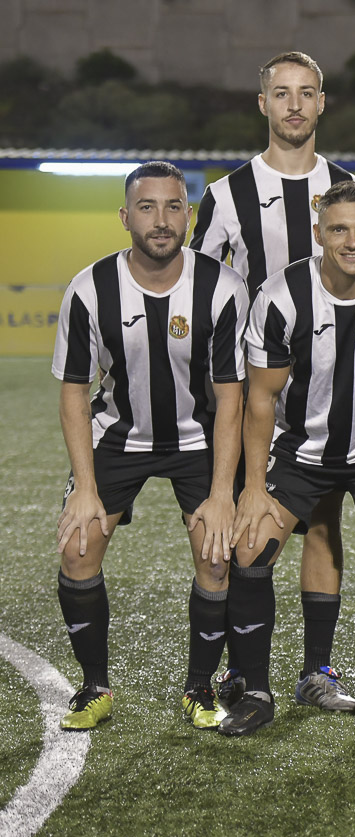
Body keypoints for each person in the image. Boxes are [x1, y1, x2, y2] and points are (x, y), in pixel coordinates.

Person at [219, 181, 355, 737]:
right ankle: (257, 690)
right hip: (295, 448)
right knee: (250, 547)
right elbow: (260, 400)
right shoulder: (281, 295)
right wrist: (252, 488)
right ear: (318, 233)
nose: (352, 241)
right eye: (339, 229)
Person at [190, 51, 355, 714]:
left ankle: (318, 671)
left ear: (322, 103)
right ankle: (245, 672)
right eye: (282, 93)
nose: (295, 105)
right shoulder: (227, 194)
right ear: (263, 103)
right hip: (254, 392)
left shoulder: (348, 187)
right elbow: (201, 287)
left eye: (307, 92)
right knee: (250, 528)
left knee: (322, 524)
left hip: (331, 390)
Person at [52, 161, 247, 730]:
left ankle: (199, 687)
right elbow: (74, 392)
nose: (161, 220)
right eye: (146, 207)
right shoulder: (89, 289)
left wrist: (221, 494)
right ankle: (94, 686)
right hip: (117, 435)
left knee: (217, 556)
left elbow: (230, 398)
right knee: (78, 549)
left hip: (200, 439)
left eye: (172, 207)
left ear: (188, 214)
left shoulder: (222, 287)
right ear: (125, 217)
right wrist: (84, 487)